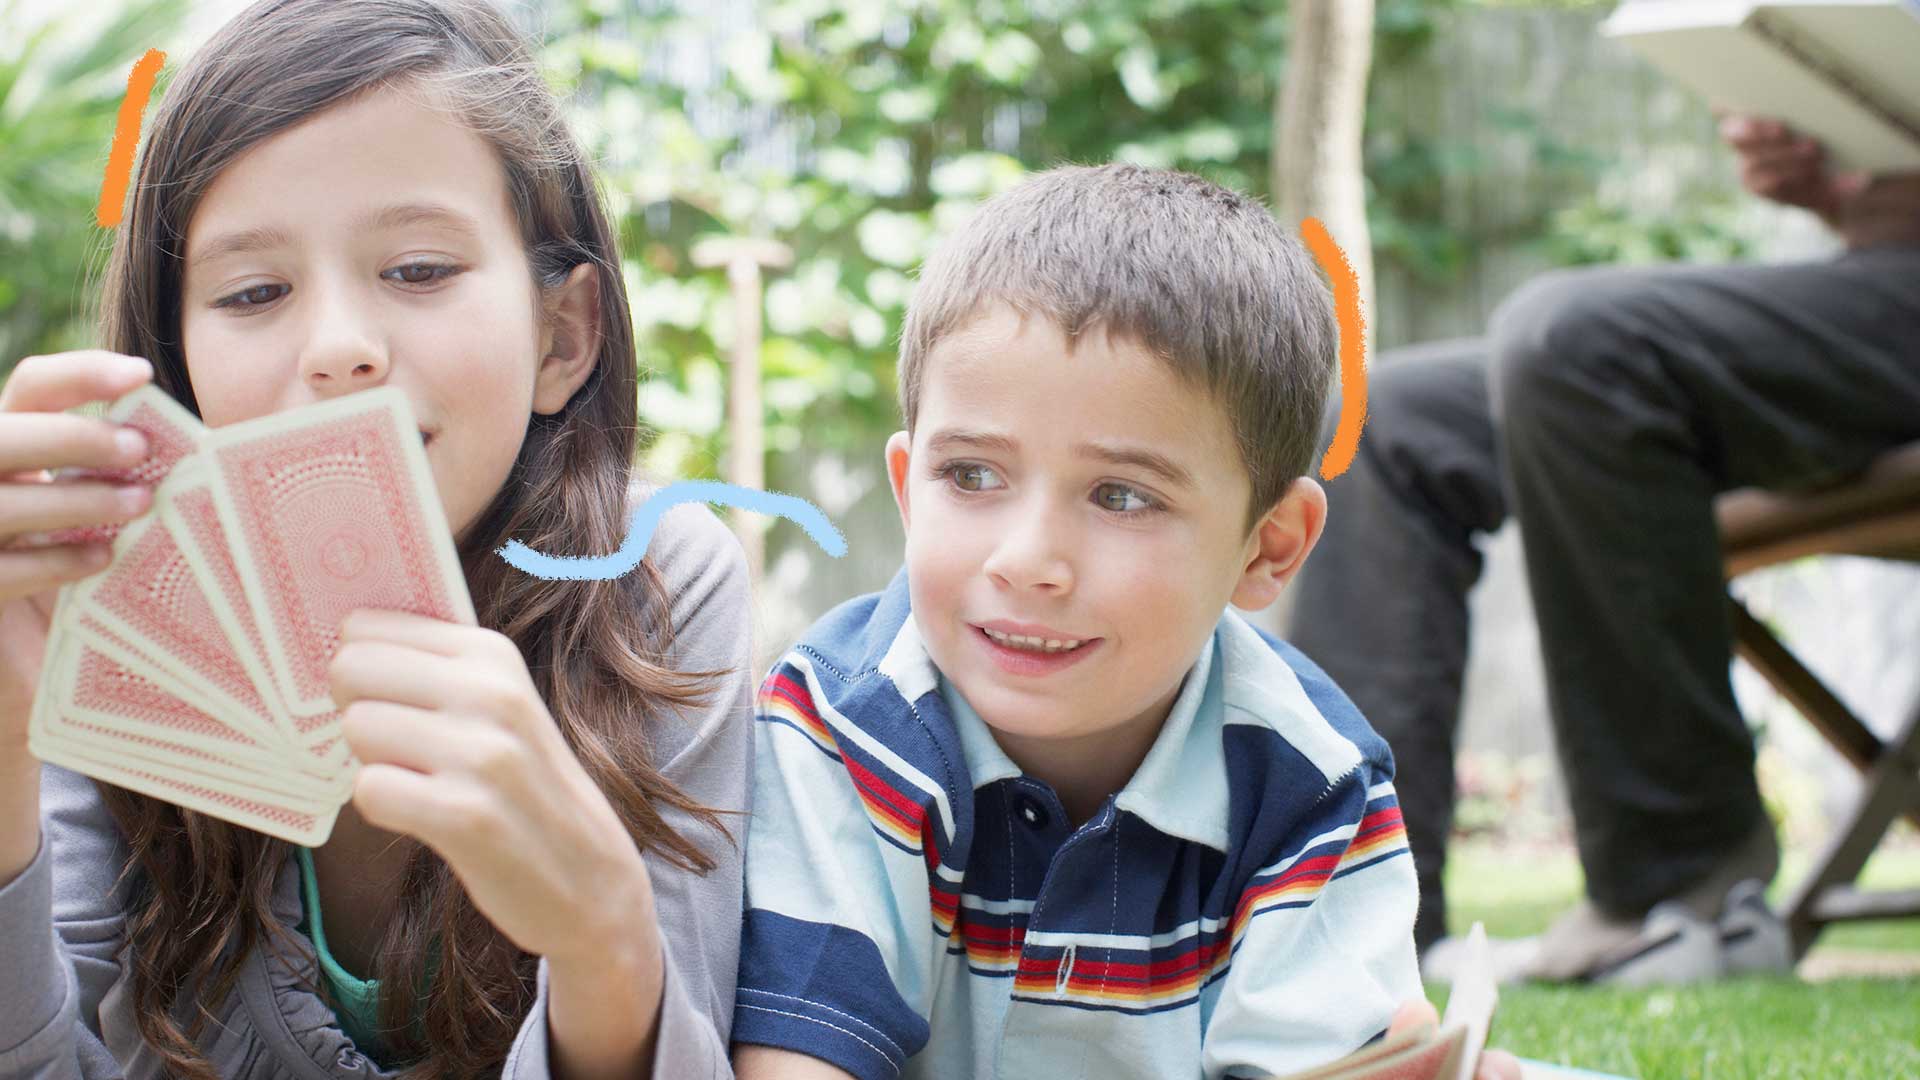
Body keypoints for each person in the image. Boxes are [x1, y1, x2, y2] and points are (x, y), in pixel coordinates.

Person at [0, 1, 754, 1076]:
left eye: (418, 270)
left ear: (564, 335)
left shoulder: (656, 583)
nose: (341, 348)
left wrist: (602, 938)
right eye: (255, 291)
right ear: (180, 371)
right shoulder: (104, 603)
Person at [727, 165, 1519, 1080]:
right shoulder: (843, 725)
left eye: (1121, 495)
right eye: (972, 475)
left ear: (1268, 547)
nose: (1025, 560)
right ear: (908, 492)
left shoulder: (1311, 784)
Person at [1287, 113, 1920, 979]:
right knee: (1388, 421)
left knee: (1574, 338)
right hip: (1874, 294)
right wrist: (1830, 185)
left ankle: (1684, 889)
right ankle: (1358, 917)